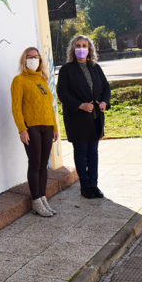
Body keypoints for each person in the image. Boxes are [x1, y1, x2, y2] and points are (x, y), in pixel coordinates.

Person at [56, 35, 111, 199]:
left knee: (93, 152)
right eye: (78, 45)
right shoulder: (67, 69)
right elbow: (62, 93)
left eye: (84, 46)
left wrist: (104, 102)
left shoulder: (95, 67)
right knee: (81, 152)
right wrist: (80, 105)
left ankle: (94, 184)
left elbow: (106, 86)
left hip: (95, 118)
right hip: (77, 119)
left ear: (89, 49)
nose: (81, 48)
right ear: (73, 49)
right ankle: (85, 186)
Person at [11, 47, 59, 217]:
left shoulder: (42, 80)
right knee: (35, 162)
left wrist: (54, 127)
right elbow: (16, 108)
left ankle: (43, 197)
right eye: (29, 57)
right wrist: (22, 129)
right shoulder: (19, 81)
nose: (33, 60)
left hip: (47, 126)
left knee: (43, 163)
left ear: (40, 60)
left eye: (36, 57)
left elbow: (49, 107)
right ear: (24, 61)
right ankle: (36, 200)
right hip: (31, 128)